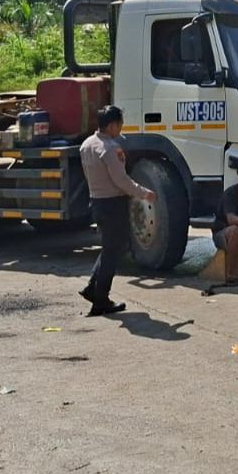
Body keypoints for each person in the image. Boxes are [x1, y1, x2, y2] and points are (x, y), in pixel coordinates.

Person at [78, 106, 158, 317]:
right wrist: (144, 193)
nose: (121, 128)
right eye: (120, 124)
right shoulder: (110, 148)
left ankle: (92, 289)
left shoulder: (87, 144)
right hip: (113, 204)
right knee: (115, 251)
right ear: (112, 125)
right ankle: (100, 299)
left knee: (110, 248)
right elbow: (121, 181)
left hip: (97, 201)